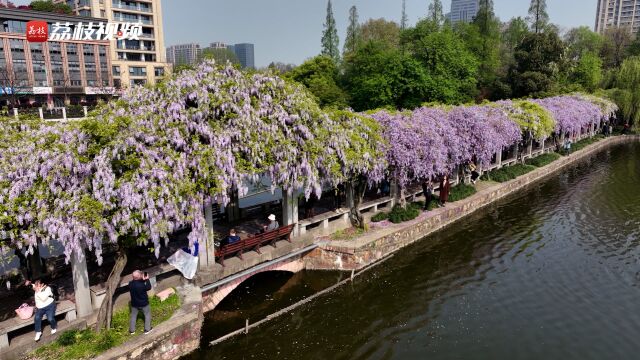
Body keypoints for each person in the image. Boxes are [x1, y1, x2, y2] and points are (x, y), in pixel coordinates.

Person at [128, 270, 152, 335]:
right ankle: (147, 329)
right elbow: (149, 287)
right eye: (140, 274)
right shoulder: (141, 285)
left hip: (134, 304)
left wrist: (142, 279)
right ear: (139, 276)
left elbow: (137, 282)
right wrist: (147, 279)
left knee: (133, 316)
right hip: (144, 304)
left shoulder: (130, 284)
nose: (142, 275)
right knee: (147, 315)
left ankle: (132, 331)